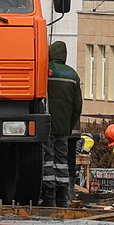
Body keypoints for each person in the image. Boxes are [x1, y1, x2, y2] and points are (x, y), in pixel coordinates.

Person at [43, 40, 82, 207]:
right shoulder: (72, 75)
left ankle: (48, 196)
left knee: (47, 159)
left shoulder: (45, 71)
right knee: (62, 161)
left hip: (47, 126)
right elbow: (77, 106)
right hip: (64, 128)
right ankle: (62, 197)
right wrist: (69, 125)